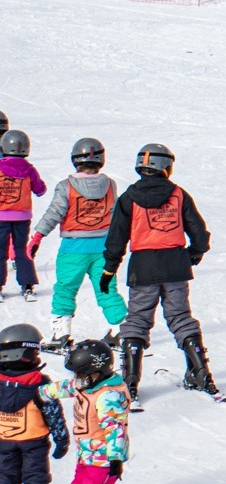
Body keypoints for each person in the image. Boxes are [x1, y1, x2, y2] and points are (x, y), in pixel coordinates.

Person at [101, 144, 213, 398]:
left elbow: (116, 237)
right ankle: (200, 372)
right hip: (175, 265)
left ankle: (130, 380)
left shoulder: (129, 197)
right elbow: (199, 231)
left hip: (143, 267)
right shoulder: (178, 194)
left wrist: (109, 269)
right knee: (181, 317)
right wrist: (194, 253)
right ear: (165, 167)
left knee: (138, 320)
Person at [29, 138, 126, 349]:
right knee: (107, 288)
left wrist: (38, 236)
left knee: (66, 289)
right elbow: (116, 213)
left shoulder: (66, 186)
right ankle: (122, 330)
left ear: (75, 160)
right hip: (103, 248)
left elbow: (55, 213)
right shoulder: (110, 185)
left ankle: (60, 334)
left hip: (73, 249)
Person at [50, 337, 133, 484]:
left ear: (96, 372)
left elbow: (116, 428)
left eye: (80, 375)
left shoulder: (108, 396)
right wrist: (38, 394)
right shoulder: (87, 383)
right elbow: (65, 387)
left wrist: (116, 458)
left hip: (105, 458)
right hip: (86, 455)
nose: (77, 380)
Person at [0, 324, 68, 484]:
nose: (38, 355)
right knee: (36, 477)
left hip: (4, 441)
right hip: (34, 442)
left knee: (4, 476)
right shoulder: (40, 384)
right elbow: (53, 413)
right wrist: (62, 439)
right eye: (35, 351)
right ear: (25, 353)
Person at [0, 131, 45, 302]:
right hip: (22, 217)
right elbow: (40, 190)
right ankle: (27, 286)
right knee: (21, 251)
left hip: (1, 217)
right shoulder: (29, 169)